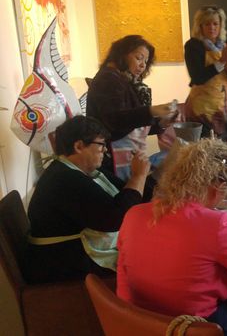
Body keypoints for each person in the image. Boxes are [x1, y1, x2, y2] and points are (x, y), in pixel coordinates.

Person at [116, 139, 227, 335]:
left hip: (143, 326)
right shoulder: (217, 225)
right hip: (196, 328)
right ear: (220, 186)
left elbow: (124, 290)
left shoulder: (133, 214)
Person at [25, 116, 150, 283]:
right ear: (79, 146)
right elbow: (115, 218)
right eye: (101, 144)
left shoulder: (86, 171)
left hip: (72, 255)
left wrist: (144, 177)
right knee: (152, 260)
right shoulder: (63, 179)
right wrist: (138, 176)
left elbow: (125, 194)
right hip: (62, 263)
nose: (105, 150)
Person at [86, 35, 177, 180]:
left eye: (146, 61)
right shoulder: (108, 79)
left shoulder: (123, 79)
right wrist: (151, 111)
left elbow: (134, 123)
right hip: (112, 156)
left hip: (128, 151)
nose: (143, 65)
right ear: (122, 54)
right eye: (139, 58)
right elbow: (115, 120)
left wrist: (162, 123)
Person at [184, 5, 227, 137]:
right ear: (200, 26)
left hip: (224, 107)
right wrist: (221, 62)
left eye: (215, 23)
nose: (211, 27)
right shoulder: (193, 45)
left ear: (220, 25)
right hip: (201, 109)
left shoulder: (226, 44)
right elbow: (197, 77)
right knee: (206, 146)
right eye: (207, 24)